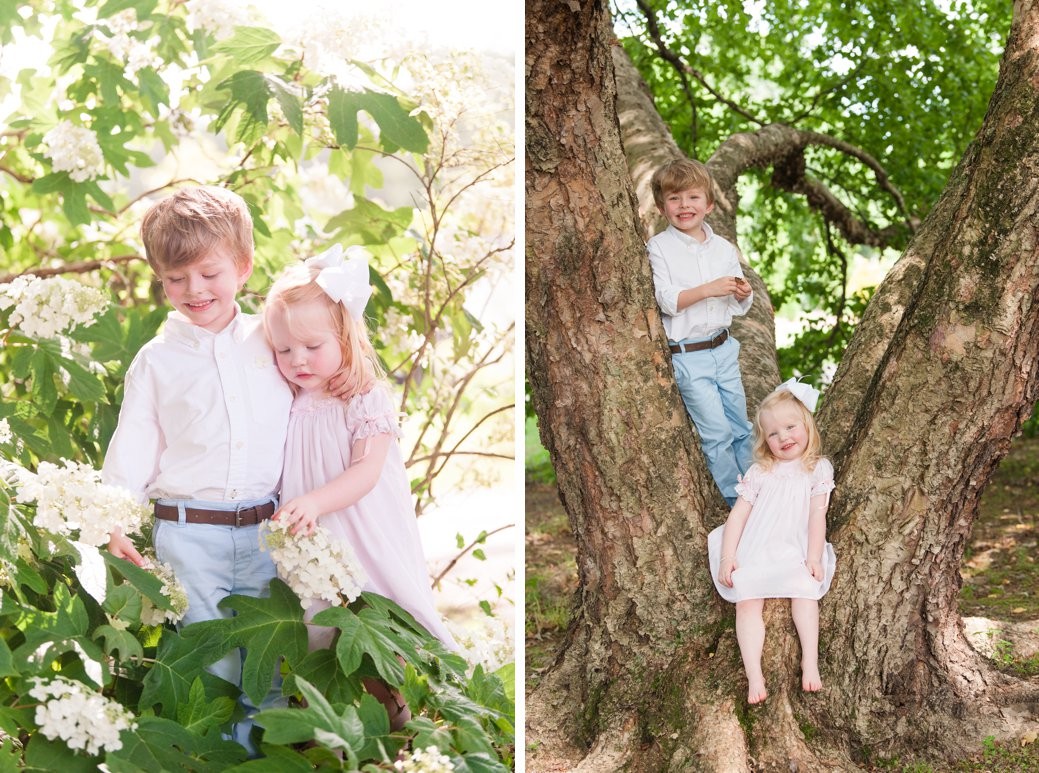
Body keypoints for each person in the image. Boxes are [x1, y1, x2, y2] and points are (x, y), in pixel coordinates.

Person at [102, 185, 293, 754]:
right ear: (160, 279)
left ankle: (267, 760)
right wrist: (113, 524)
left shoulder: (272, 340)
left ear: (243, 266)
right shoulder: (157, 361)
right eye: (176, 278)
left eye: (209, 273)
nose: (195, 290)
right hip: (189, 534)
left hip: (267, 532)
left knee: (268, 663)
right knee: (213, 666)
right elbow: (134, 445)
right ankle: (219, 758)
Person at [262, 244, 458, 724]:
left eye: (313, 347)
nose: (298, 360)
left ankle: (399, 720)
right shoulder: (286, 397)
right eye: (284, 350)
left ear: (345, 338)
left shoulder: (363, 397)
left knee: (373, 618)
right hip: (312, 534)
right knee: (317, 626)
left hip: (361, 527)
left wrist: (315, 501)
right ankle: (325, 728)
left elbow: (366, 473)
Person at [706, 380, 836, 705]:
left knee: (805, 593)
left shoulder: (817, 468)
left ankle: (810, 661)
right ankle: (755, 675)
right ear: (765, 440)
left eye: (791, 427)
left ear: (807, 425)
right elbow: (738, 516)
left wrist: (814, 557)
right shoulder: (760, 471)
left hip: (795, 546)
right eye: (773, 433)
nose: (784, 437)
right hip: (757, 547)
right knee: (747, 600)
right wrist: (728, 557)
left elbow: (817, 515)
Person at [647, 157, 754, 506]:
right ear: (662, 207)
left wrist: (743, 293)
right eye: (674, 198)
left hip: (724, 349)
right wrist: (708, 289)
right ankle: (735, 501)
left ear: (708, 205)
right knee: (717, 434)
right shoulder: (658, 248)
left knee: (741, 427)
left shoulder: (722, 248)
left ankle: (758, 492)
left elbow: (737, 302)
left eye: (693, 197)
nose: (684, 205)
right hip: (689, 356)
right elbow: (666, 300)